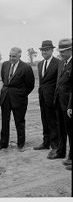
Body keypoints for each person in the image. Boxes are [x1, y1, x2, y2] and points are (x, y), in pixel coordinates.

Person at [0, 47, 35, 151]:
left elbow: (30, 85)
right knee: (4, 121)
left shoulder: (26, 67)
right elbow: (4, 79)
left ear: (19, 56)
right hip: (5, 98)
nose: (11, 58)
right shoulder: (5, 65)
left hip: (19, 99)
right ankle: (3, 144)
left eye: (13, 56)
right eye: (10, 56)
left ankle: (20, 144)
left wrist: (21, 94)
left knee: (19, 121)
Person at [33, 40, 60, 159]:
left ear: (52, 50)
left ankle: (55, 146)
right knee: (44, 120)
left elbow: (59, 83)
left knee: (53, 121)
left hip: (53, 98)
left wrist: (55, 98)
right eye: (42, 50)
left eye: (47, 50)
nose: (44, 52)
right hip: (42, 97)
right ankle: (46, 142)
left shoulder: (58, 63)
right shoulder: (40, 64)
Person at [51, 39, 72, 171]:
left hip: (69, 104)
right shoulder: (62, 63)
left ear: (70, 50)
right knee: (62, 129)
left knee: (71, 131)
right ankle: (64, 153)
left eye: (64, 52)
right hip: (59, 102)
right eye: (60, 52)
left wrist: (70, 106)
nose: (61, 54)